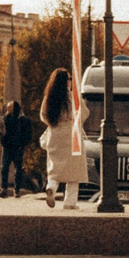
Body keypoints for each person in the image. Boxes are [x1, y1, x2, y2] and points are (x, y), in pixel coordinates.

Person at [39, 68, 86, 209]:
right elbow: (83, 113)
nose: (71, 81)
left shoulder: (49, 97)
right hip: (72, 135)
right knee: (74, 171)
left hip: (54, 134)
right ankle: (70, 202)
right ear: (66, 81)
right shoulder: (72, 97)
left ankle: (51, 188)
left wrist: (54, 124)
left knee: (55, 168)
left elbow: (43, 115)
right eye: (70, 79)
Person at [0, 99, 32, 196]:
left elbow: (28, 134)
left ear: (15, 108)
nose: (8, 108)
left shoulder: (24, 120)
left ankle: (16, 190)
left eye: (10, 107)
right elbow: (1, 132)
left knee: (18, 170)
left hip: (18, 148)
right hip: (7, 147)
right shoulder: (5, 119)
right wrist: (3, 142)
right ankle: (3, 189)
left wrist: (22, 144)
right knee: (4, 168)